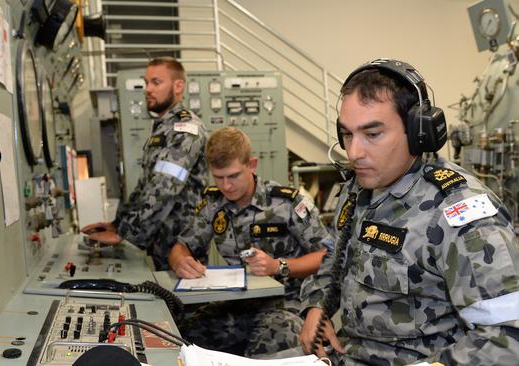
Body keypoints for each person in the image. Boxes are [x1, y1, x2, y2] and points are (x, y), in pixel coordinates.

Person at [298, 58, 519, 365]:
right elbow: (333, 258)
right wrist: (316, 307)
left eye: (373, 134)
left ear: (419, 131)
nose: (353, 153)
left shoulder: (459, 212)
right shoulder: (358, 189)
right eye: (348, 135)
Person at [168, 127, 333, 357]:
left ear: (252, 165)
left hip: (287, 304)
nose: (226, 186)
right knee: (180, 339)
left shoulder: (286, 202)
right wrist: (180, 261)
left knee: (269, 345)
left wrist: (279, 266)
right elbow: (181, 246)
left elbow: (327, 255)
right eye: (219, 177)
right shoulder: (213, 203)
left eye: (233, 176)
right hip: (237, 304)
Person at [81, 57, 209, 270]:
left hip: (181, 243)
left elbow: (165, 187)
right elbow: (146, 186)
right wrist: (117, 224)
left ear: (178, 86)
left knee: (181, 303)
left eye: (156, 83)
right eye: (146, 82)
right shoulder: (163, 128)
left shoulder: (185, 129)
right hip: (160, 240)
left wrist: (125, 233)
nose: (148, 89)